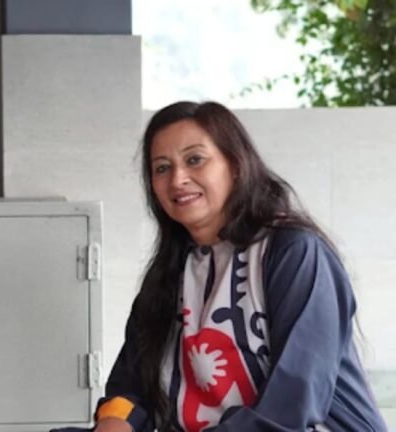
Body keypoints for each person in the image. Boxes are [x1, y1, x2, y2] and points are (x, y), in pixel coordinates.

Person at [54, 101, 386, 431]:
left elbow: (293, 400)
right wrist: (113, 423)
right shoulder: (170, 273)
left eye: (195, 160)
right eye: (162, 168)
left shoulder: (293, 252)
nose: (178, 179)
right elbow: (131, 387)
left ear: (236, 165)